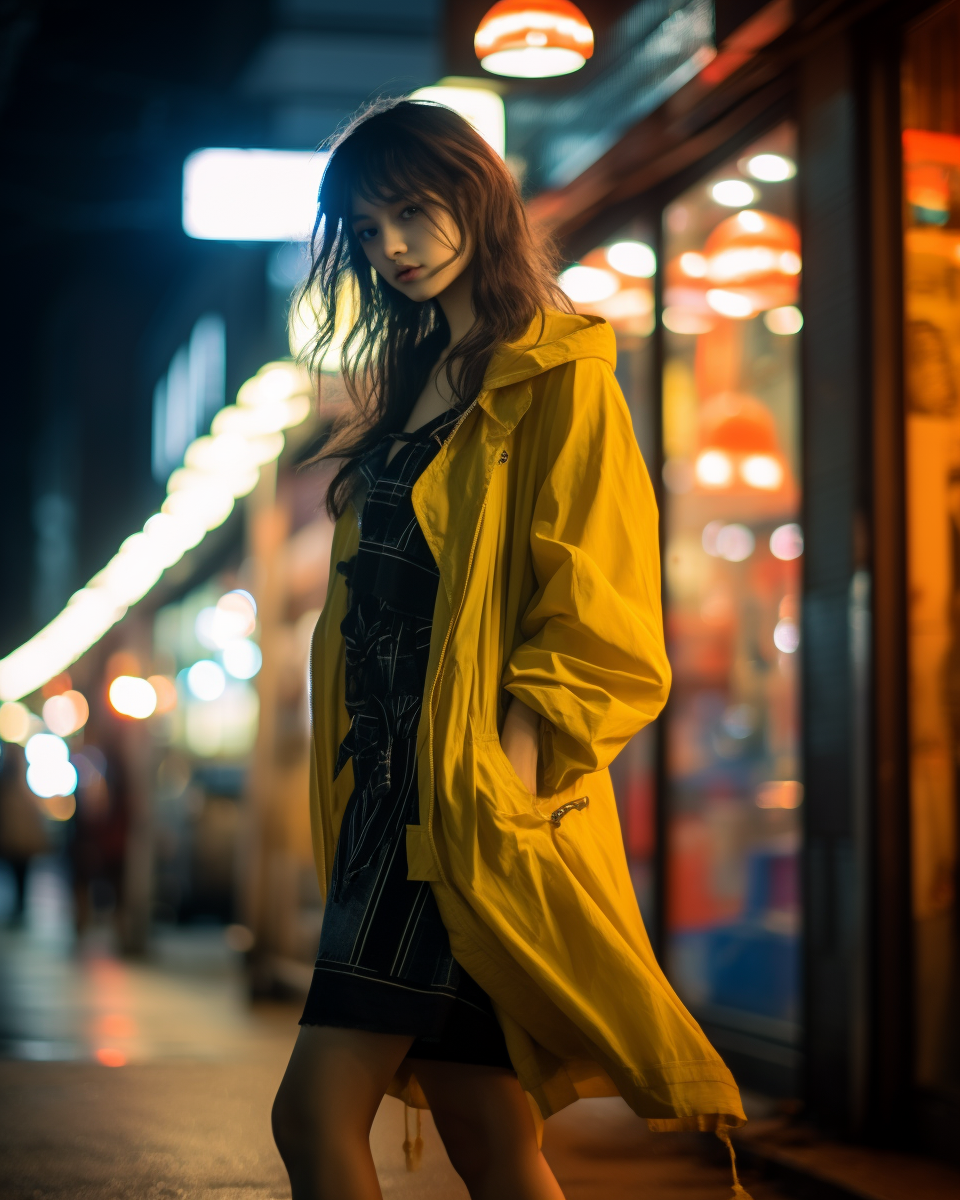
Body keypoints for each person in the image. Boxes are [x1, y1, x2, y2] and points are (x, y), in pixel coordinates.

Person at [272, 99, 748, 1200]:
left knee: (313, 1115)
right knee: (490, 1136)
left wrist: (509, 767)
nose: (391, 246)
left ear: (475, 199)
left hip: (459, 810)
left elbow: (601, 604)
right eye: (368, 226)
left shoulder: (558, 376)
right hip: (387, 798)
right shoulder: (406, 389)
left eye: (411, 211)